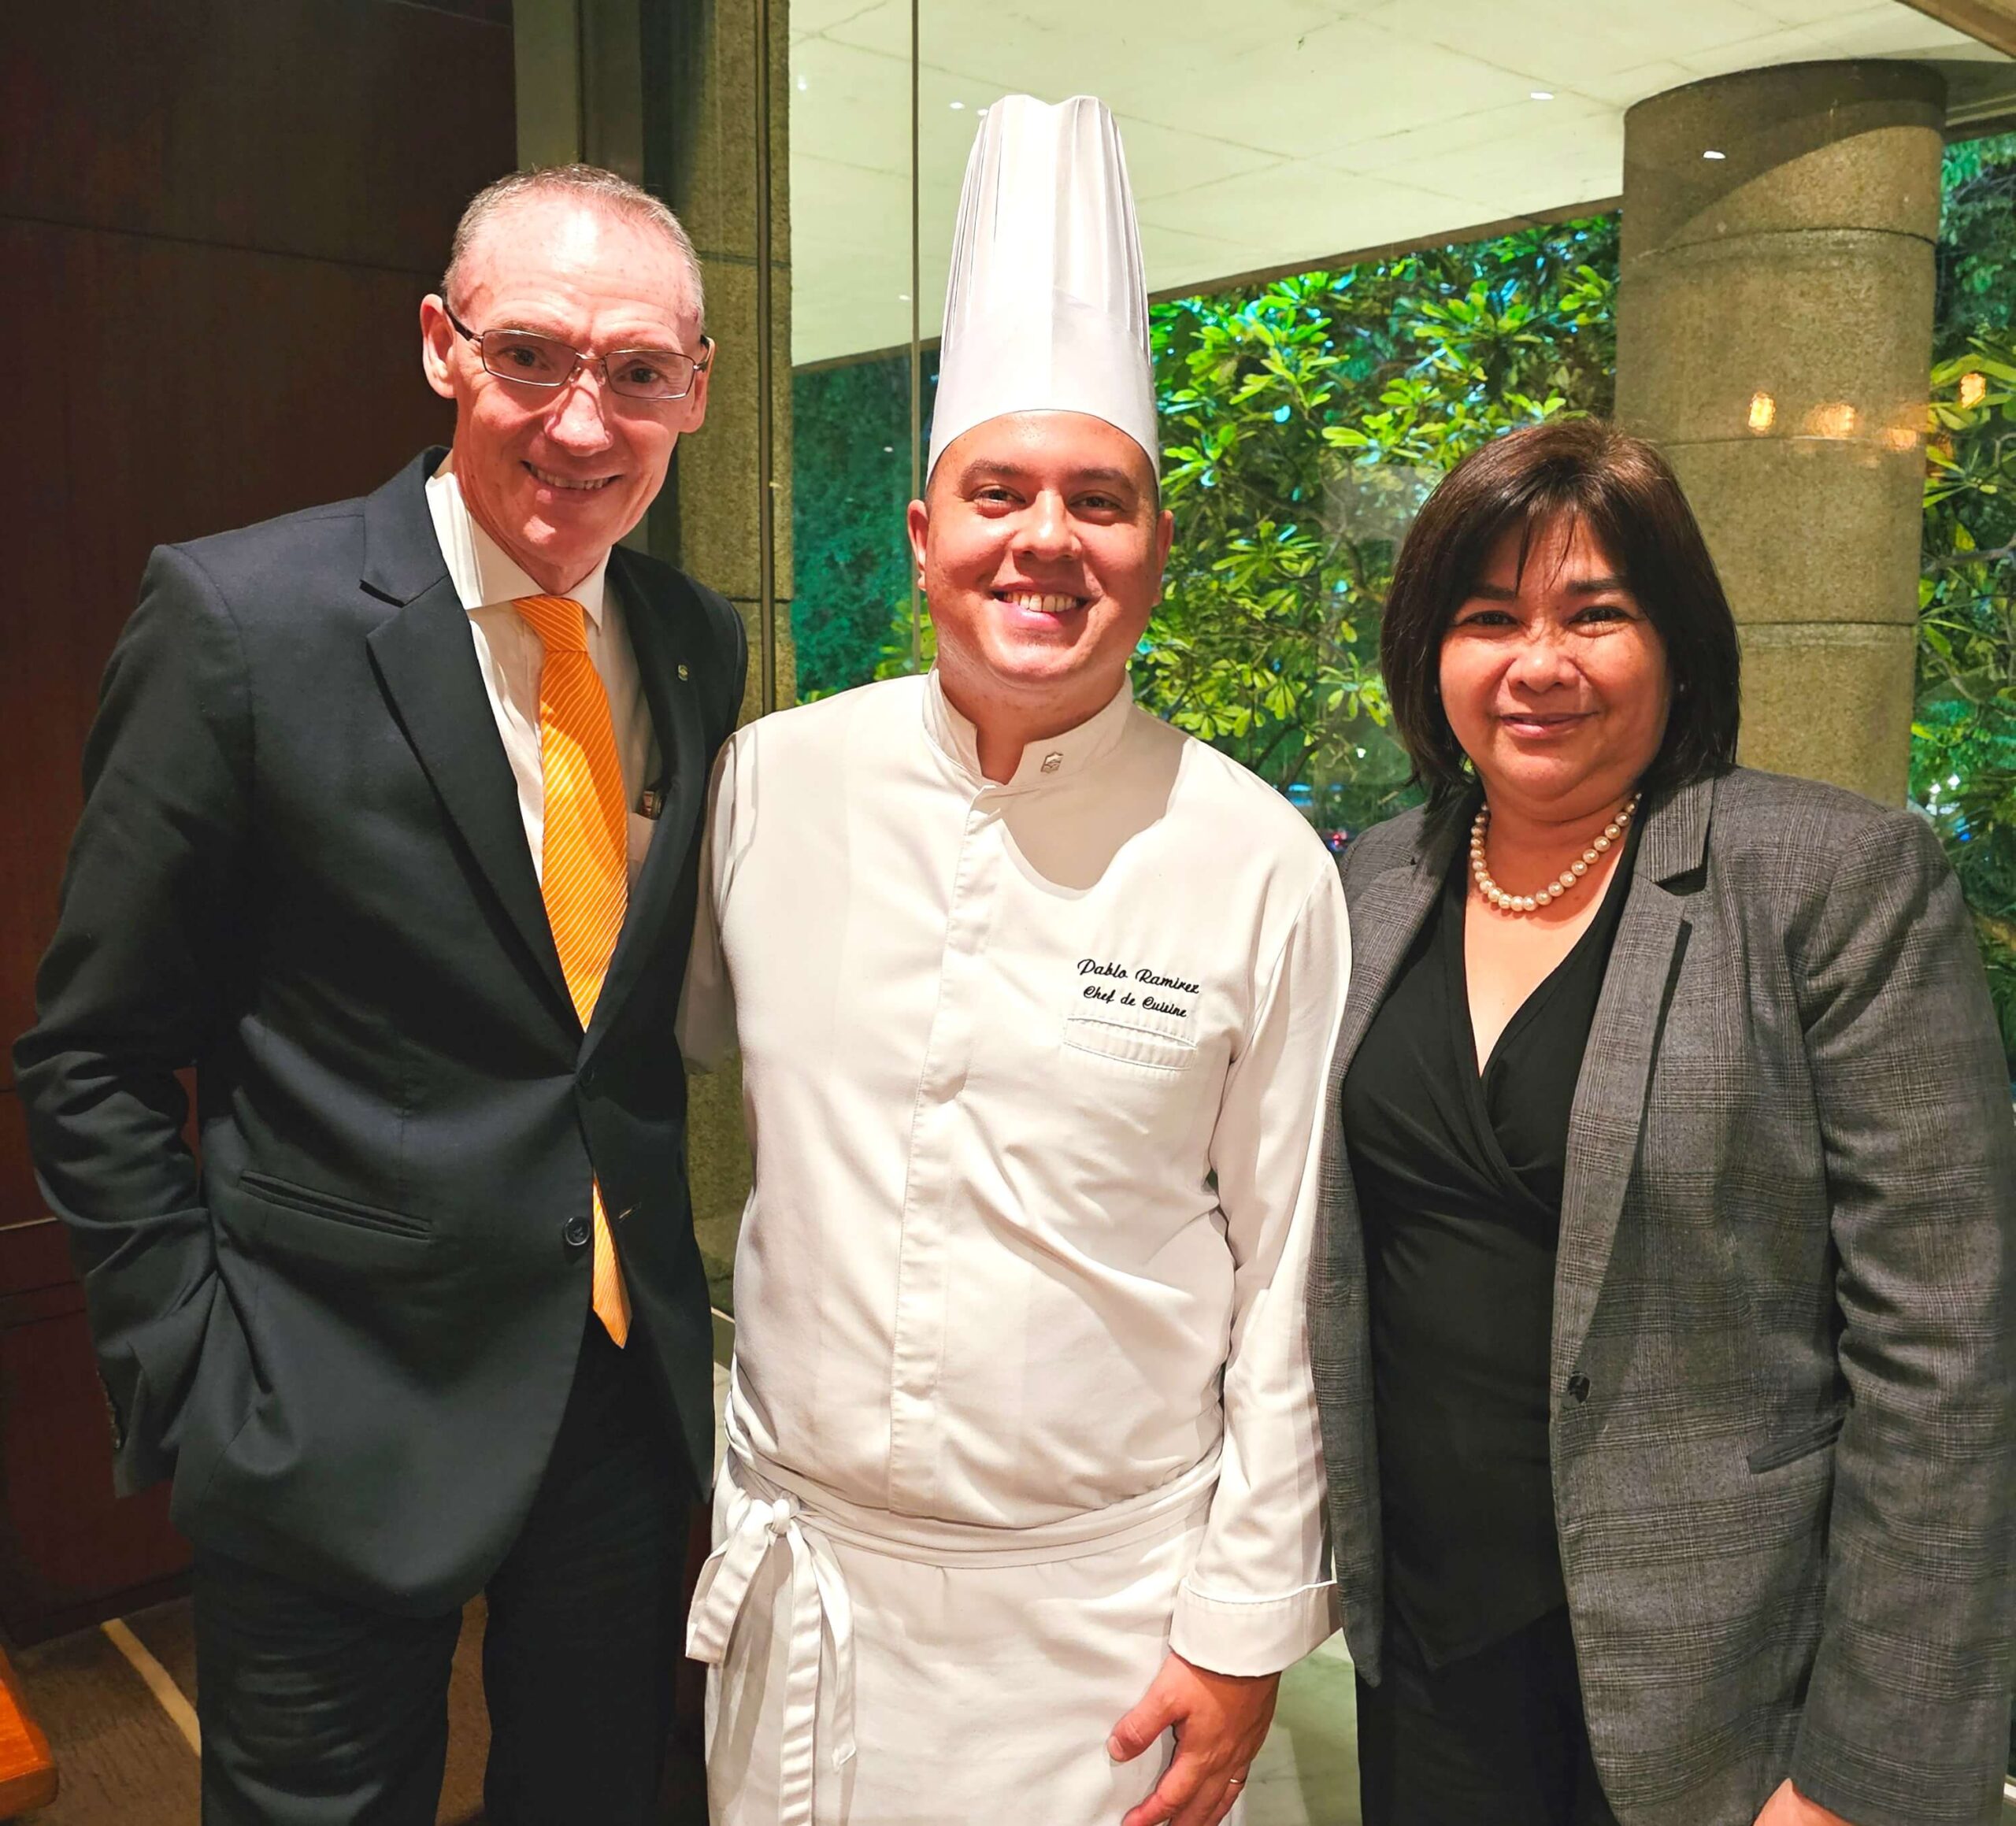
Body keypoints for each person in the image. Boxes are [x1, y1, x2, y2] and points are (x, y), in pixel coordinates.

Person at [13, 164, 745, 1824]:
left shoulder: (695, 644)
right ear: (440, 345)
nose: (582, 421)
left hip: (615, 1404)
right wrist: (194, 1374)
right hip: (324, 1407)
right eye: (533, 356)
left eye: (638, 371)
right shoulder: (243, 618)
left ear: (694, 387)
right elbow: (94, 1055)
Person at [680, 94, 1348, 1826]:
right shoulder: (776, 779)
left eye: (1096, 499)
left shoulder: (1255, 856)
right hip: (810, 1583)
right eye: (997, 491)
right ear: (921, 536)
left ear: (1153, 546)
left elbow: (1286, 1277)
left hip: (1108, 1621)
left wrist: (1243, 1626)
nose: (1042, 538)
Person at [1309, 417, 2016, 1826]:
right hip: (1431, 1646)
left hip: (1723, 1669)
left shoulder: (1831, 879)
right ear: (1428, 652)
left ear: (1678, 642)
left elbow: (1947, 1349)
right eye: (1489, 617)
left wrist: (1864, 1769)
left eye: (1597, 615)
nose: (1539, 664)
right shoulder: (1373, 881)